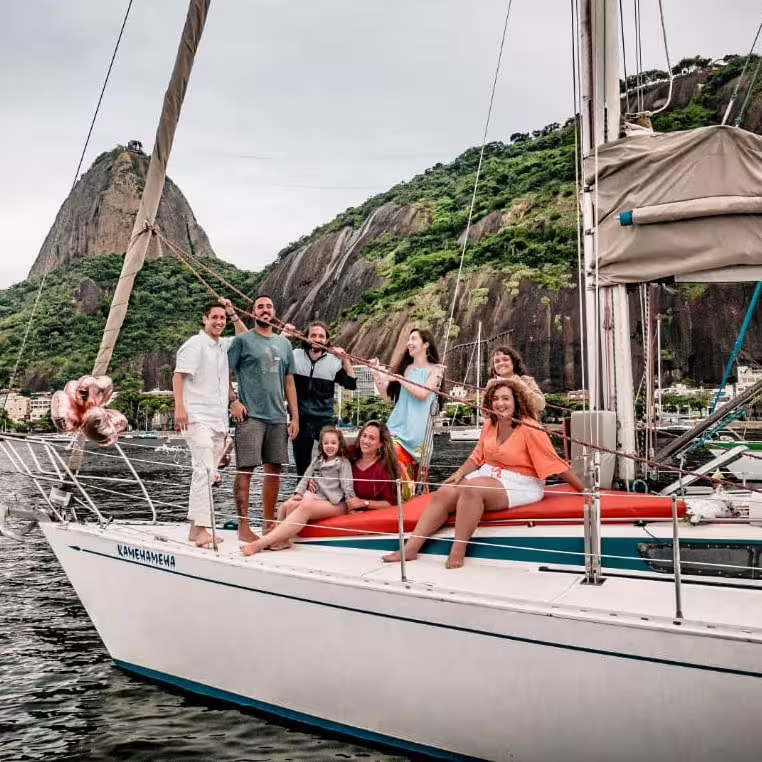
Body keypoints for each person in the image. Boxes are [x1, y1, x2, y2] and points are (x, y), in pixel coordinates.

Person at [383, 377, 584, 569]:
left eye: (506, 398)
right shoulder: (490, 424)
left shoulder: (529, 427)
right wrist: (459, 473)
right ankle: (410, 548)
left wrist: (586, 491)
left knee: (472, 490)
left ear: (516, 401)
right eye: (495, 399)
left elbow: (555, 463)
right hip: (490, 474)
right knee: (445, 490)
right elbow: (477, 456)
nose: (500, 403)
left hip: (522, 481)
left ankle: (458, 549)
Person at [173, 297, 246, 547]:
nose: (218, 321)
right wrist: (179, 408)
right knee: (203, 471)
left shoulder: (223, 346)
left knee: (209, 472)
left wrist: (233, 313)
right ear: (204, 320)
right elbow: (179, 375)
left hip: (218, 420)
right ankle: (203, 530)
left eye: (221, 318)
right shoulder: (195, 345)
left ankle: (195, 529)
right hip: (197, 417)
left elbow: (244, 336)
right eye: (213, 317)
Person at [228, 295, 299, 542]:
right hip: (251, 416)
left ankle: (268, 525)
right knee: (245, 470)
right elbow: (223, 372)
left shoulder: (284, 344)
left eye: (268, 306)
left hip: (278, 416)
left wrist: (294, 416)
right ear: (253, 313)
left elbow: (289, 382)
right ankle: (244, 526)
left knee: (274, 471)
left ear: (274, 312)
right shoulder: (242, 341)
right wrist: (233, 400)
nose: (265, 310)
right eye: (260, 306)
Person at [241, 426, 354, 554]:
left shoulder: (343, 463)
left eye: (333, 443)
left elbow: (347, 486)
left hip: (335, 502)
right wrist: (298, 493)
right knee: (286, 505)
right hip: (320, 498)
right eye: (326, 443)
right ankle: (280, 540)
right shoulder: (318, 460)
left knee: (305, 506)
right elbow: (306, 477)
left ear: (340, 444)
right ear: (321, 444)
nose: (329, 446)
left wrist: (352, 504)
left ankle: (261, 543)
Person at [371, 328, 443, 487]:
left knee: (417, 482)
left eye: (413, 339)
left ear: (425, 344)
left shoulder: (436, 369)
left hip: (418, 434)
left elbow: (423, 393)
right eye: (408, 339)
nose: (409, 343)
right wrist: (376, 373)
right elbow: (387, 397)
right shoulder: (404, 369)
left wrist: (401, 379)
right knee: (387, 457)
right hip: (396, 428)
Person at [290, 321, 357, 476]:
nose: (317, 339)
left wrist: (345, 360)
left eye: (321, 336)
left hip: (324, 420)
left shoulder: (333, 362)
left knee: (332, 461)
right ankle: (302, 495)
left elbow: (351, 384)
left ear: (327, 340)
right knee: (302, 464)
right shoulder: (295, 356)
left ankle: (330, 494)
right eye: (313, 335)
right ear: (306, 338)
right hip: (300, 419)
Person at [488, 345, 545, 418]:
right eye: (497, 361)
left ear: (513, 363)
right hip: (499, 426)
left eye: (505, 359)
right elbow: (484, 413)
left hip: (525, 425)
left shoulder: (526, 380)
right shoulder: (491, 383)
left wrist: (521, 385)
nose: (501, 363)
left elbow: (540, 405)